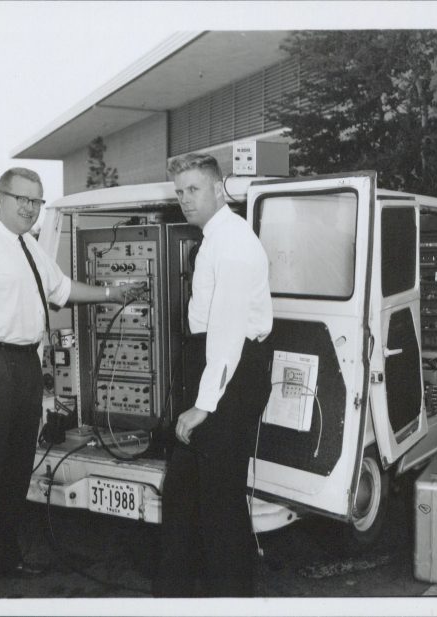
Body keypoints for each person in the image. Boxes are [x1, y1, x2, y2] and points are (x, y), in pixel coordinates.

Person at [0, 167, 142, 598]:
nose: (29, 207)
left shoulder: (28, 246)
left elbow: (62, 289)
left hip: (24, 364)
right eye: (21, 198)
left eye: (36, 200)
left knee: (13, 471)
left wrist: (111, 295)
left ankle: (3, 559)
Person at [153, 153, 273, 597]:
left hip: (231, 372)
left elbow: (226, 331)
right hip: (214, 365)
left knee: (218, 501)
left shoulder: (234, 242)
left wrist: (203, 407)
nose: (185, 199)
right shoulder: (214, 237)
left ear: (219, 188)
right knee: (184, 492)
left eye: (193, 189)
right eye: (179, 191)